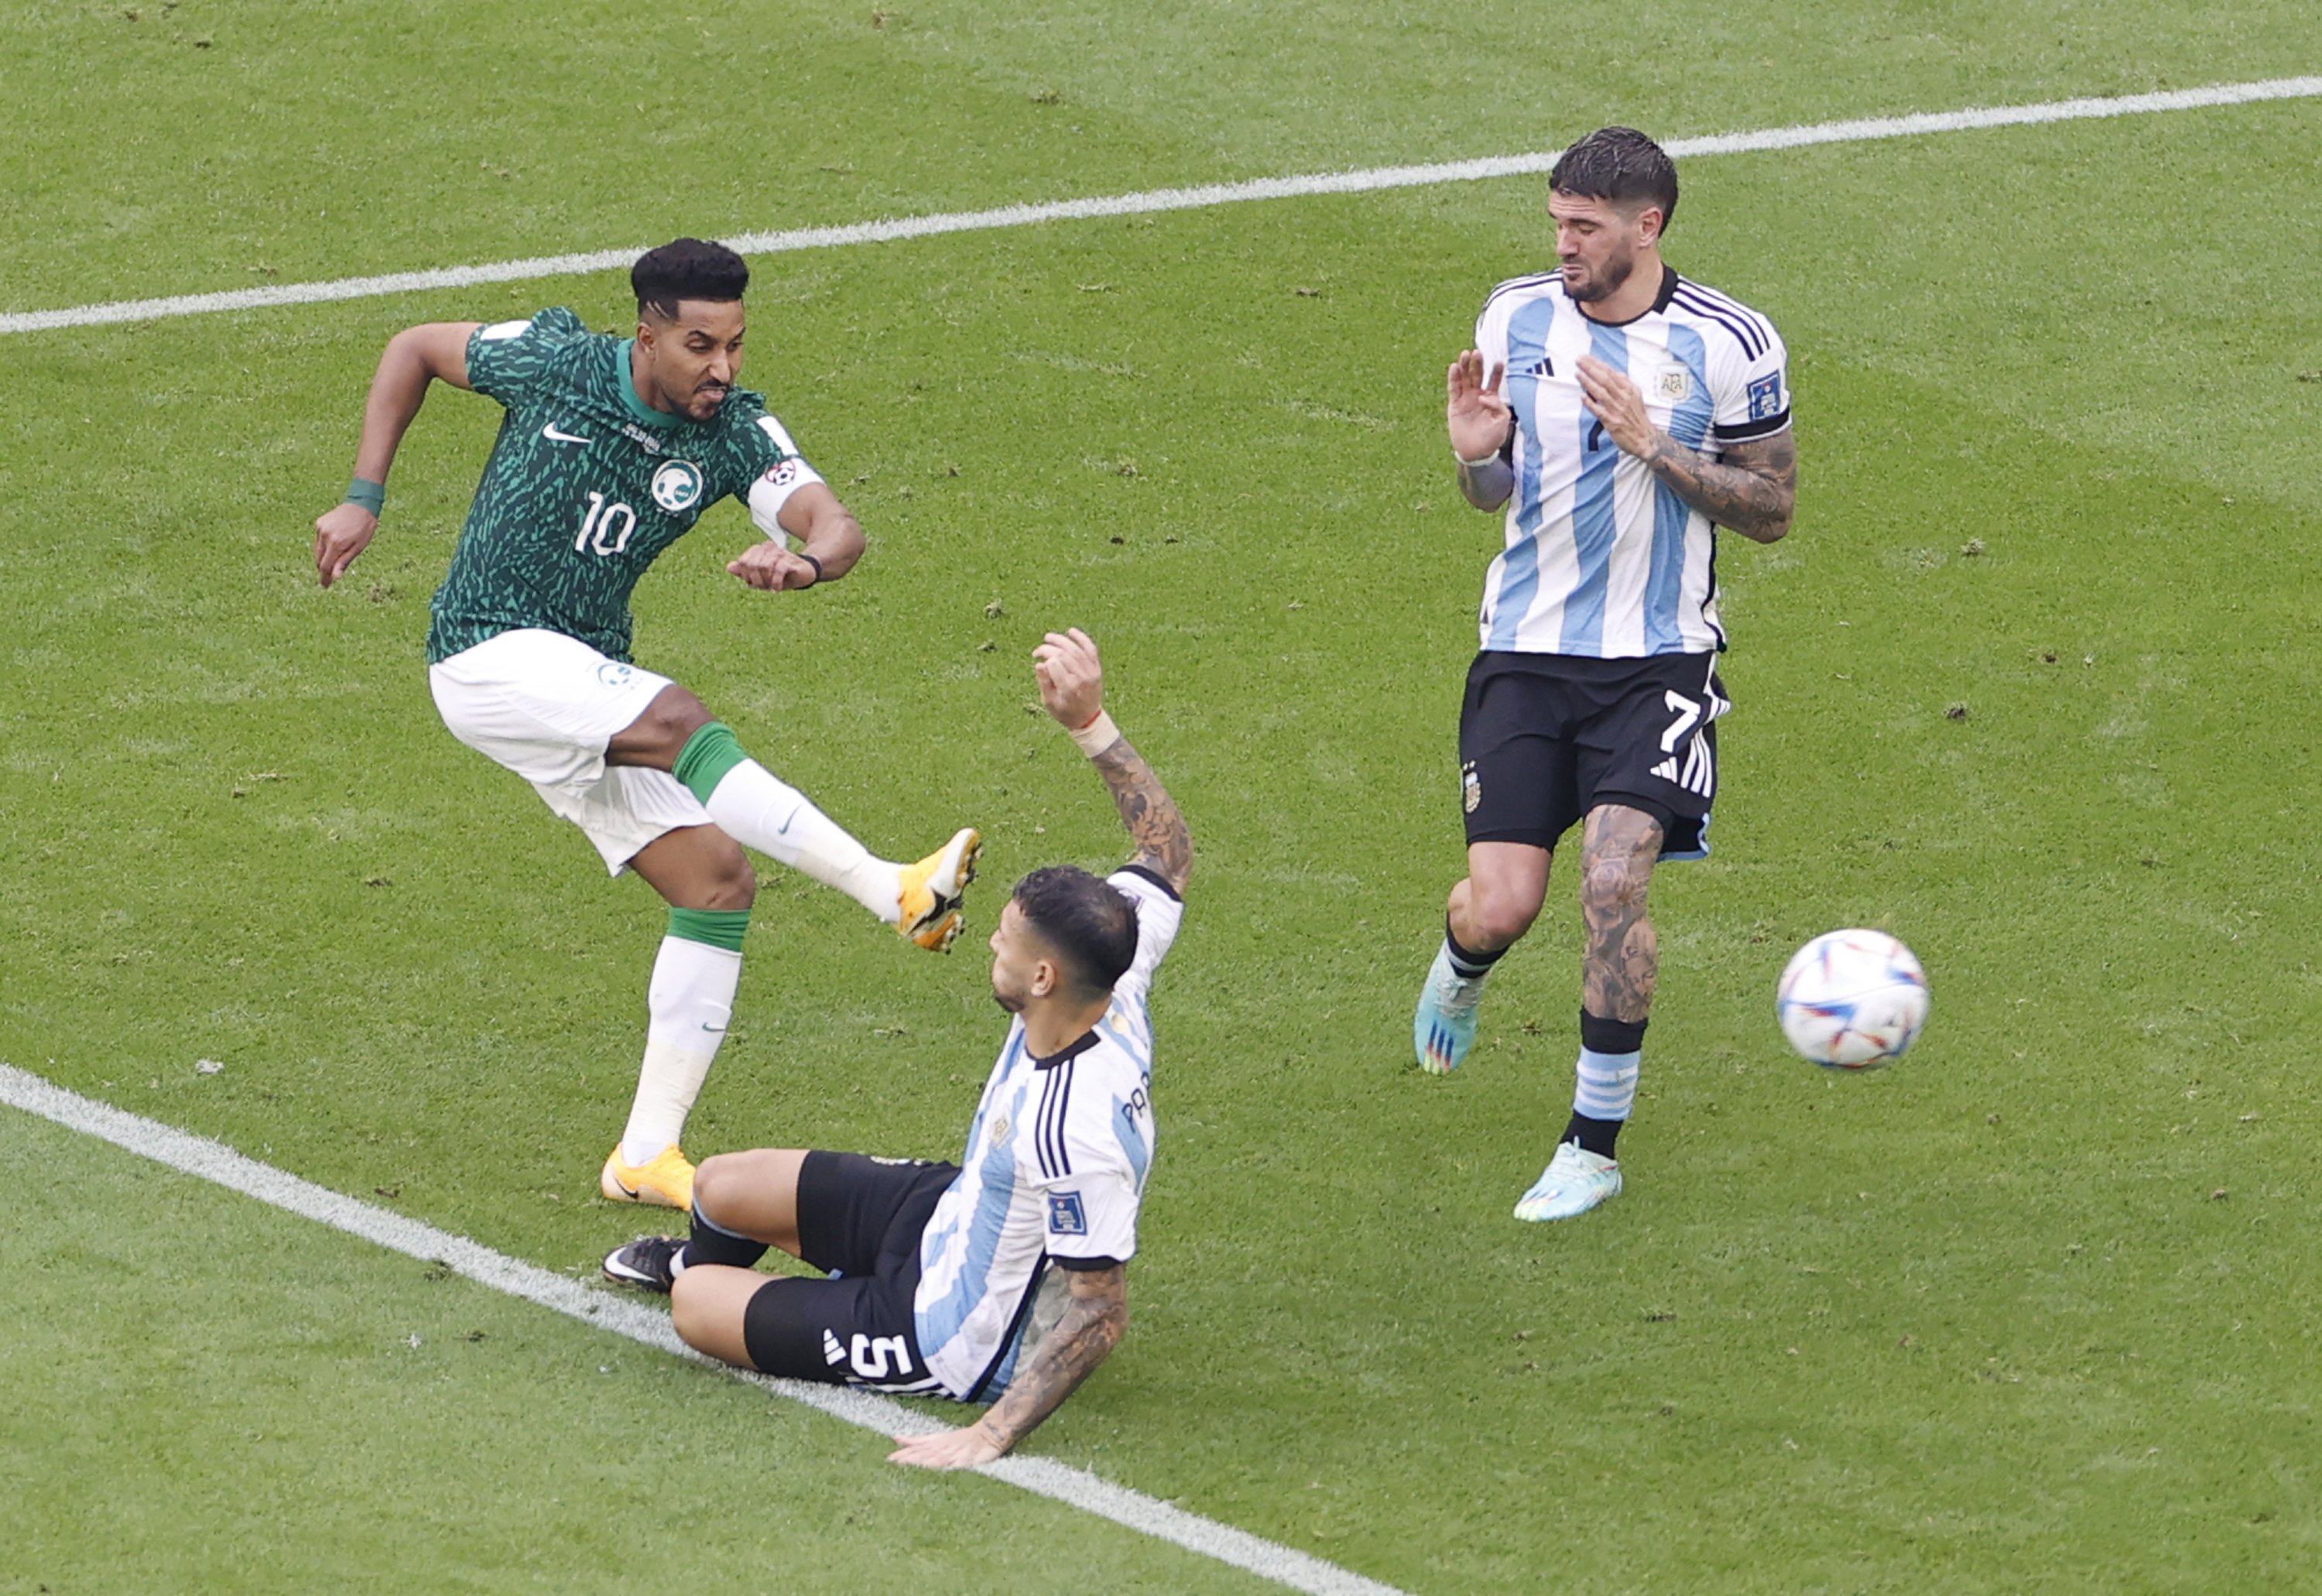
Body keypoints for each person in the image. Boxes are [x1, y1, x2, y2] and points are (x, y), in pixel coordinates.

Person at [311, 238, 981, 1212]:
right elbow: (412, 345)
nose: (723, 368)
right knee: (679, 718)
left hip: (580, 680)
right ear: (648, 335)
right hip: (484, 652)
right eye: (702, 345)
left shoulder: (733, 434)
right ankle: (894, 892)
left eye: (737, 345)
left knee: (715, 879)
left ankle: (644, 1156)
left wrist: (808, 563)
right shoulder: (556, 363)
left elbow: (836, 525)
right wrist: (363, 497)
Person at [601, 628, 1191, 1470]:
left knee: (697, 1304)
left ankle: (802, 1303)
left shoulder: (1077, 1128)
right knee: (722, 1186)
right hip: (945, 1211)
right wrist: (1090, 722)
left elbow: (1101, 1311)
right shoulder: (1116, 971)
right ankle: (748, 1269)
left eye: (1007, 942)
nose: (990, 941)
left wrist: (990, 1433)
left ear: (1047, 976)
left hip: (936, 1328)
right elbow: (1167, 853)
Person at [1411, 128, 1797, 1223]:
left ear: (1648, 225)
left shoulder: (1731, 341)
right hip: (1526, 654)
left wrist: (1659, 449)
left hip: (1661, 659)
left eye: (1584, 226)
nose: (1564, 243)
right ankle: (1464, 959)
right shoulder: (1513, 315)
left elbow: (1773, 510)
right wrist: (1475, 453)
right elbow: (1491, 498)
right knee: (1504, 902)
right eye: (1557, 222)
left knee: (1616, 884)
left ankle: (1592, 1143)